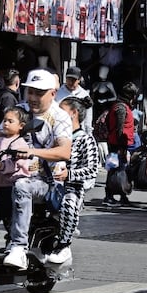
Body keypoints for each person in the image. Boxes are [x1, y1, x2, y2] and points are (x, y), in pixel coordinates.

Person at [0, 68, 73, 270]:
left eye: (39, 93)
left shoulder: (60, 117)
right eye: (30, 92)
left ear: (53, 93)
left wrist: (33, 152)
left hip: (44, 180)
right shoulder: (20, 110)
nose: (33, 97)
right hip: (10, 172)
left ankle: (18, 246)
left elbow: (64, 151)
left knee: (22, 186)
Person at [45, 96, 101, 264]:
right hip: (49, 185)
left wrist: (69, 174)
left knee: (69, 202)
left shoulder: (85, 139)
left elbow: (92, 169)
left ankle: (64, 244)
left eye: (62, 110)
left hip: (72, 188)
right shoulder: (55, 135)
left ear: (74, 113)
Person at [0, 106, 31, 243]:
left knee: (11, 220)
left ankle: (12, 244)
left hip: (11, 188)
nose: (6, 124)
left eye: (10, 121)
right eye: (4, 120)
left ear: (21, 125)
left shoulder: (20, 143)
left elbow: (21, 163)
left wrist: (4, 166)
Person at [102, 81, 137, 207]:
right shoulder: (121, 108)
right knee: (115, 169)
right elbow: (119, 129)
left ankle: (121, 195)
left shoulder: (118, 105)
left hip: (117, 143)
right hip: (118, 144)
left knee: (120, 169)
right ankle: (109, 196)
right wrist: (121, 147)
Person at [56, 66, 92, 134]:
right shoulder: (58, 93)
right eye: (69, 79)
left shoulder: (84, 95)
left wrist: (89, 133)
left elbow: (88, 116)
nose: (71, 82)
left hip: (79, 131)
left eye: (74, 79)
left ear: (79, 80)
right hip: (61, 131)